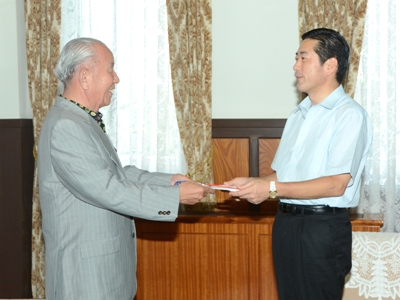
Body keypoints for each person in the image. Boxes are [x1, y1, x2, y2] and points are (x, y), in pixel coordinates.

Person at [38, 37, 213, 300]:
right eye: (110, 68)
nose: (116, 78)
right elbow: (108, 190)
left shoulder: (80, 120)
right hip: (86, 277)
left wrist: (168, 180)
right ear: (85, 77)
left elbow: (115, 174)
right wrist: (174, 198)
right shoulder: (67, 126)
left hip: (100, 273)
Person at [225, 28, 372, 300]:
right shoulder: (298, 114)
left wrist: (270, 190)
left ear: (330, 65)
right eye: (296, 58)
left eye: (303, 58)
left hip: (322, 228)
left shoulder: (350, 116)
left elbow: (335, 184)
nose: (295, 66)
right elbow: (281, 174)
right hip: (286, 223)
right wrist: (252, 184)